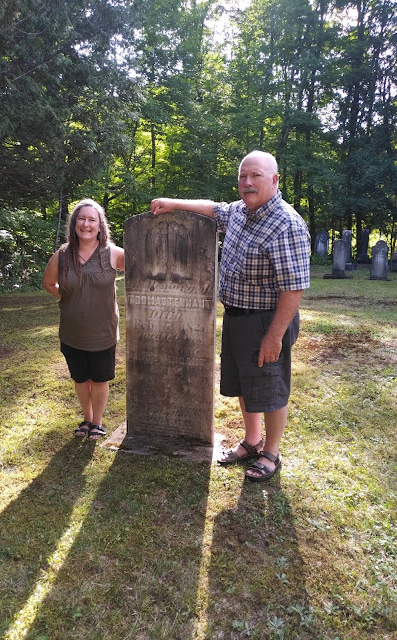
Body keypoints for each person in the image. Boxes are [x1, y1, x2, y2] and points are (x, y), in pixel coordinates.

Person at [151, 150, 310, 482]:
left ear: (275, 180)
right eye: (243, 177)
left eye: (256, 176)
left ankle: (271, 453)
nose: (247, 182)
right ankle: (252, 441)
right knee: (243, 384)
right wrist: (173, 203)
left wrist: (274, 336)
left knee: (271, 387)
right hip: (237, 317)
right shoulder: (239, 212)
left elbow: (293, 289)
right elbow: (213, 209)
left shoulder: (286, 223)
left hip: (267, 321)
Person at [42, 198, 124, 440]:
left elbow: (144, 271)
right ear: (74, 223)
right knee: (80, 379)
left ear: (100, 226)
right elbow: (48, 283)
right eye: (81, 218)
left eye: (92, 220)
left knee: (99, 379)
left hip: (103, 333)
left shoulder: (114, 254)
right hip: (72, 332)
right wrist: (68, 297)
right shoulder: (63, 255)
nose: (86, 224)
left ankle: (97, 423)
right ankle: (86, 419)